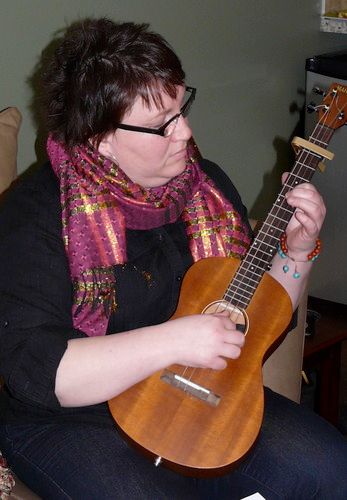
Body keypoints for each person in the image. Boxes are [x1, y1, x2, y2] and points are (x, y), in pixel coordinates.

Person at [0, 17, 346, 500]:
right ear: (99, 137)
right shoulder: (34, 217)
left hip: (198, 395)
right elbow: (41, 371)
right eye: (162, 124)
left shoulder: (206, 189)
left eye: (182, 108)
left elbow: (255, 320)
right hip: (74, 421)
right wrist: (174, 341)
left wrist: (297, 251)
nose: (185, 132)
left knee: (330, 465)